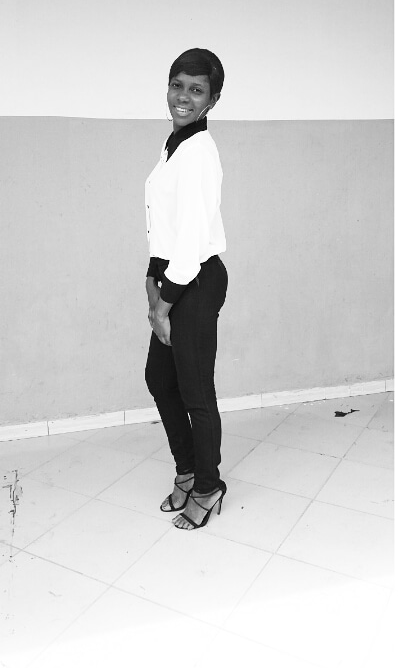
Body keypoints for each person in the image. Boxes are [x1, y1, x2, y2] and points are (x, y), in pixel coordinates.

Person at [144, 48, 228, 530]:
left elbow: (193, 239)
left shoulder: (199, 152)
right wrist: (150, 279)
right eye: (178, 85)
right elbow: (165, 223)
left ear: (212, 100)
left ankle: (208, 485)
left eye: (196, 90)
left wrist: (164, 305)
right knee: (161, 380)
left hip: (194, 281)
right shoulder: (175, 142)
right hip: (172, 277)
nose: (183, 96)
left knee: (196, 392)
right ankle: (188, 469)